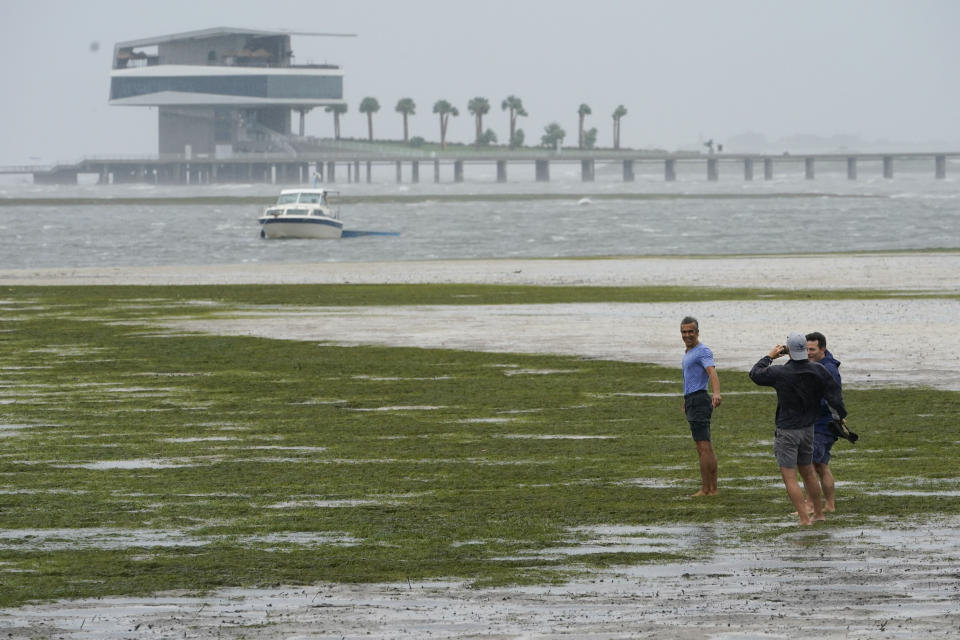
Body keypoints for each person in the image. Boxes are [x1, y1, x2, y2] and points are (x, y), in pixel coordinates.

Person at [749, 332, 847, 526]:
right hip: (809, 429)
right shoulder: (819, 370)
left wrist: (770, 356)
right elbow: (835, 396)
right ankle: (818, 514)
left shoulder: (780, 372)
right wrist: (840, 417)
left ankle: (804, 519)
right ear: (805, 348)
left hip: (787, 430)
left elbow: (755, 374)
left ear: (789, 351)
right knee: (809, 472)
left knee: (789, 477)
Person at [680, 316, 722, 497]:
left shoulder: (702, 351)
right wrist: (687, 400)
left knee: (703, 447)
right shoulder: (689, 352)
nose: (687, 335)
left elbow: (711, 371)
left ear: (697, 332)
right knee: (704, 447)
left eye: (691, 331)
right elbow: (692, 378)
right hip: (693, 399)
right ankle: (711, 488)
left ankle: (707, 489)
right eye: (684, 332)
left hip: (699, 400)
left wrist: (717, 393)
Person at [807, 331, 842, 512]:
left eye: (812, 349)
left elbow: (831, 398)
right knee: (821, 465)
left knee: (811, 465)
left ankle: (812, 505)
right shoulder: (817, 365)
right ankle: (829, 505)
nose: (808, 353)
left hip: (823, 424)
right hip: (820, 423)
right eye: (805, 349)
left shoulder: (828, 369)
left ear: (823, 348)